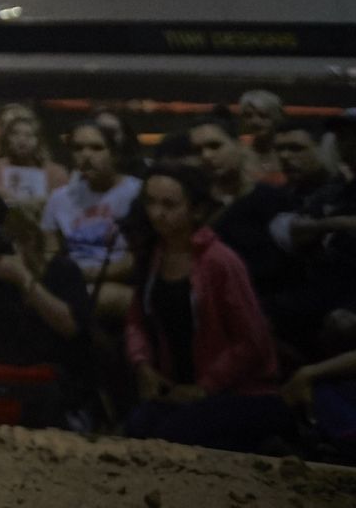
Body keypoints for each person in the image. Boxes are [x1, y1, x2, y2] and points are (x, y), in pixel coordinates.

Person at [124, 161, 290, 451]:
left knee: (172, 437)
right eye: (150, 202)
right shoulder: (153, 255)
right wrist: (143, 365)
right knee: (137, 427)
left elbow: (252, 340)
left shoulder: (219, 262)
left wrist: (205, 387)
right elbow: (136, 319)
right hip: (179, 387)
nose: (156, 213)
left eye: (169, 204)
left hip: (242, 391)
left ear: (196, 210)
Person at [217, 121, 356, 352]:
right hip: (314, 289)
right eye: (281, 149)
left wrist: (323, 226)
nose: (285, 156)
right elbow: (292, 234)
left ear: (321, 149)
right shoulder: (332, 191)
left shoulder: (335, 188)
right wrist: (333, 224)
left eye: (296, 148)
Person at [0, 203, 95, 426]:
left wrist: (24, 279)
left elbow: (70, 325)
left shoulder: (62, 270)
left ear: (30, 240)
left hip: (58, 389)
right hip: (2, 385)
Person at [43, 119, 142, 314]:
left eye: (97, 148)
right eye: (78, 148)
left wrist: (91, 275)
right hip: (71, 283)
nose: (86, 155)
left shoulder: (137, 193)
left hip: (117, 282)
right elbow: (50, 252)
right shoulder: (59, 198)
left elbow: (139, 257)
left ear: (114, 154)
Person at [0, 103, 67, 212]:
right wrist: (40, 201)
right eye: (15, 134)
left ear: (38, 140)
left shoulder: (56, 172)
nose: (21, 140)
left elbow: (61, 202)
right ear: (6, 137)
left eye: (28, 135)